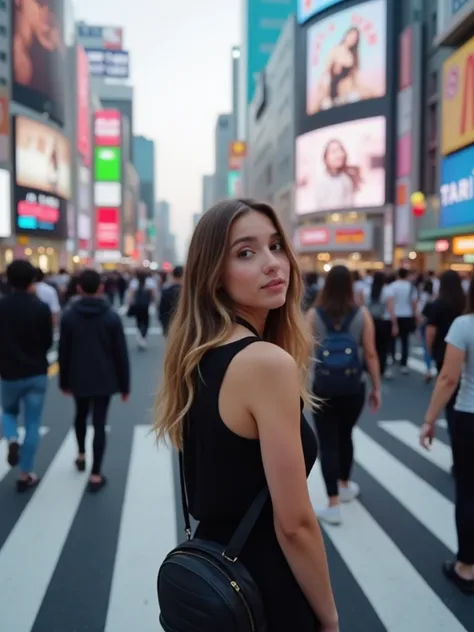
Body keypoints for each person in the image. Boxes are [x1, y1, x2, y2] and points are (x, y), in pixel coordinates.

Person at [154, 199, 339, 631]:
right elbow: (294, 523)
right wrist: (329, 617)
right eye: (246, 252)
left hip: (215, 575)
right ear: (213, 274)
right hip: (265, 585)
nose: (273, 263)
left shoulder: (198, 354)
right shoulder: (264, 363)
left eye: (276, 245)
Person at [308, 265, 381, 525]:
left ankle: (333, 503)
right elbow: (370, 353)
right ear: (351, 285)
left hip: (323, 388)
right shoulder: (362, 314)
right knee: (346, 435)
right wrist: (376, 387)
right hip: (353, 388)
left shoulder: (314, 315)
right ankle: (345, 484)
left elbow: (306, 354)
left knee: (327, 444)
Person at [420, 275, 474, 595]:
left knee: (469, 492)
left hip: (469, 416)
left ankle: (467, 567)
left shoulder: (464, 325)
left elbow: (448, 378)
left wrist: (429, 420)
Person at [58, 269, 130, 492]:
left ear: (78, 288)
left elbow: (63, 352)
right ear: (101, 288)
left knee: (80, 415)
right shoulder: (111, 316)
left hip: (78, 377)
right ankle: (96, 474)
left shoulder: (69, 316)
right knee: (99, 423)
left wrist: (63, 381)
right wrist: (125, 384)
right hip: (105, 378)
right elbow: (121, 353)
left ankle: (81, 455)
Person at [0, 259, 53, 492]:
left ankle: (11, 439)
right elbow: (48, 341)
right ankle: (25, 472)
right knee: (33, 423)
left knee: (9, 412)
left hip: (9, 372)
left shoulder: (2, 306)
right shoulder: (41, 307)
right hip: (36, 372)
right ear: (32, 279)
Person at [424, 270, 466, 444]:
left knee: (450, 394)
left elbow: (430, 331)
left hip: (444, 351)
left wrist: (429, 350)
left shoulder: (438, 304)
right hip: (467, 353)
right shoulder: (465, 303)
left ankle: (455, 433)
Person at [386, 268, 418, 375]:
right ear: (407, 275)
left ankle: (392, 361)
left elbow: (390, 304)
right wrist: (415, 316)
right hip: (407, 315)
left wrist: (392, 318)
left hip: (395, 315)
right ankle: (404, 364)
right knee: (405, 341)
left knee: (392, 340)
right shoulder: (411, 287)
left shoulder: (392, 286)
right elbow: (414, 304)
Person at [362, 270, 393, 378]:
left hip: (370, 320)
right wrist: (394, 324)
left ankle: (366, 368)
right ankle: (381, 369)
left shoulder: (366, 290)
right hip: (383, 321)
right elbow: (390, 309)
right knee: (383, 347)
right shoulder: (388, 291)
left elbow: (362, 307)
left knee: (369, 345)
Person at [127, 270, 157, 349]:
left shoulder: (134, 282)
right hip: (146, 305)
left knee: (138, 320)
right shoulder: (150, 282)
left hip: (137, 305)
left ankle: (140, 335)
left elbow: (131, 294)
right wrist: (154, 302)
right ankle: (143, 336)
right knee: (146, 321)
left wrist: (129, 303)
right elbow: (153, 294)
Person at [158, 265, 183, 336]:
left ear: (173, 275)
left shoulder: (166, 291)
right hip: (183, 326)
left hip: (169, 324)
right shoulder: (188, 293)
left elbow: (161, 310)